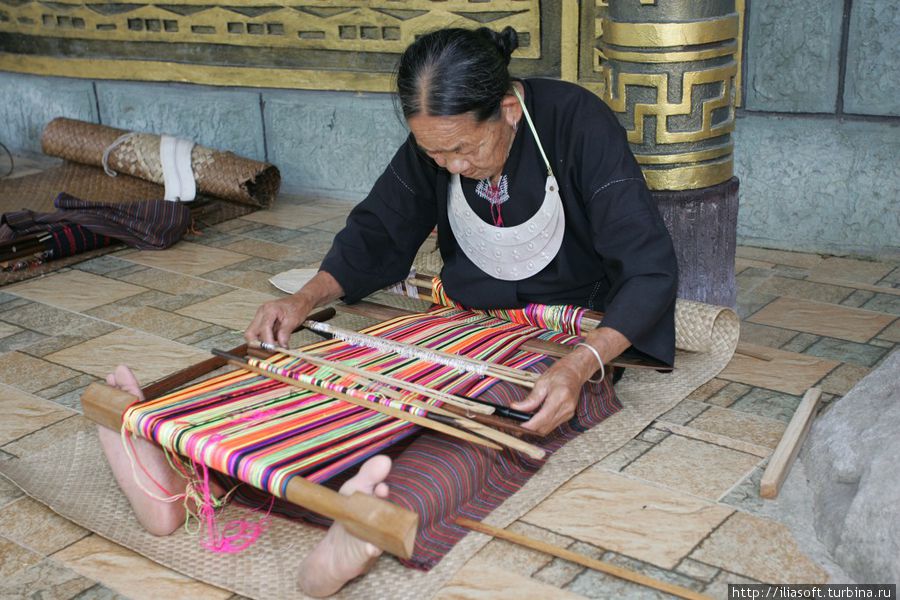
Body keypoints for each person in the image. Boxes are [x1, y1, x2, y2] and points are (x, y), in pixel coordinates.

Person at [100, 26, 677, 597]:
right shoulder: (440, 138)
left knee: (484, 429)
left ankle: (371, 519)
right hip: (455, 319)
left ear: (507, 109)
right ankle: (176, 467)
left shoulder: (577, 123)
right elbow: (380, 228)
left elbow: (648, 267)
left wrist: (580, 367)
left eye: (463, 149)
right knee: (342, 387)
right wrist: (303, 299)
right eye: (434, 152)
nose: (450, 166)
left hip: (556, 340)